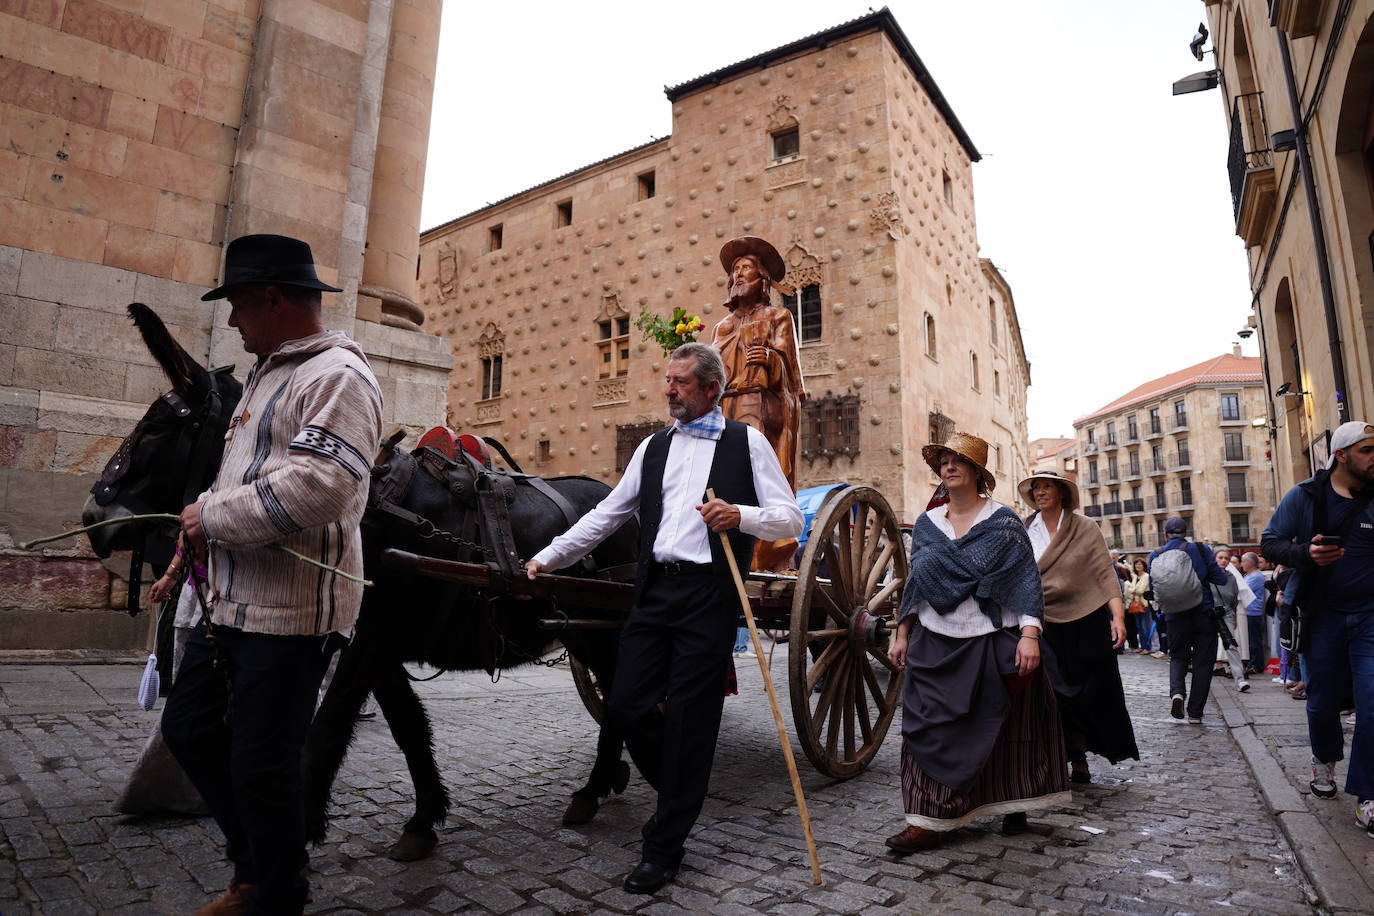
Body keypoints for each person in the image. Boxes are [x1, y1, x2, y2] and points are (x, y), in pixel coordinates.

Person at [525, 342, 802, 893]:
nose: (668, 389)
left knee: (692, 723)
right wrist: (545, 557)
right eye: (668, 380)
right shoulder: (653, 447)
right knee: (625, 705)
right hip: (653, 595)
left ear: (709, 390)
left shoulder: (746, 442)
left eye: (679, 381)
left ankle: (664, 844)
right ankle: (678, 786)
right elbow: (607, 515)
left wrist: (739, 514)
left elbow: (788, 516)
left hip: (708, 596)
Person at [161, 234, 383, 915]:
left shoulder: (337, 377)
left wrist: (208, 517)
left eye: (236, 306)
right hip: (227, 602)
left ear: (273, 300)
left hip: (289, 616)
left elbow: (319, 488)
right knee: (191, 730)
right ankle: (258, 867)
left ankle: (275, 891)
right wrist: (194, 542)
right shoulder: (269, 370)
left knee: (264, 764)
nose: (231, 321)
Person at [884, 433, 1069, 853]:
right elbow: (916, 585)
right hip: (934, 639)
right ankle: (927, 820)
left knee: (1004, 727)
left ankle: (1012, 800)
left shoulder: (1003, 523)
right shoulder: (929, 525)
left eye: (959, 461)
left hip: (992, 638)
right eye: (944, 460)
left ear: (977, 473)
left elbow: (1025, 584)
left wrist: (1029, 635)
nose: (949, 466)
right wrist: (902, 632)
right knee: (924, 727)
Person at [1261, 420, 1374, 831]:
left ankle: (1368, 794)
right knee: (1323, 703)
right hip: (1320, 615)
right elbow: (1270, 542)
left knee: (1372, 702)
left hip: (1369, 617)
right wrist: (1305, 553)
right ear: (1342, 455)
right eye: (1367, 450)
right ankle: (1324, 760)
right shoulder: (1306, 495)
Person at [1019, 470, 1138, 785]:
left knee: (1091, 690)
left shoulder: (1085, 527)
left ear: (1061, 493)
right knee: (1055, 691)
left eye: (1046, 487)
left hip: (1087, 619)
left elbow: (1103, 572)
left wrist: (1118, 617)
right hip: (1041, 620)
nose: (1039, 492)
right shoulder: (1024, 529)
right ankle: (1064, 752)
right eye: (1035, 488)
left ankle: (1080, 754)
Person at [709, 236, 806, 571]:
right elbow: (712, 370)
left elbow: (790, 373)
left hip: (762, 406)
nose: (737, 275)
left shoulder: (779, 317)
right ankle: (727, 551)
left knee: (757, 475)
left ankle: (764, 555)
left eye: (745, 269)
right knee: (723, 475)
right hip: (725, 406)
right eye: (734, 270)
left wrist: (768, 357)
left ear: (762, 280)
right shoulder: (723, 326)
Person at [1148, 516, 1228, 724]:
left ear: (1165, 535)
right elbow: (1220, 579)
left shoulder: (1156, 555)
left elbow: (1153, 587)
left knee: (1178, 657)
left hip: (1174, 616)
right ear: (1186, 532)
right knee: (1203, 662)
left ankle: (1177, 693)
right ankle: (1195, 713)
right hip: (1203, 614)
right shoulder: (1200, 549)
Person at [1211, 548, 1253, 692]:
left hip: (1227, 614)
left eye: (1226, 558)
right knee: (1206, 646)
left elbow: (1234, 598)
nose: (1223, 560)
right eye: (1220, 557)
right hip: (1209, 615)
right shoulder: (1207, 576)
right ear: (1214, 559)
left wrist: (1233, 616)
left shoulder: (1231, 577)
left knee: (1231, 646)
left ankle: (1240, 679)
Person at [1126, 558, 1160, 656]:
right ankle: (1143, 646)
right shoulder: (1136, 577)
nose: (1138, 566)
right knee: (1139, 628)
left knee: (1146, 627)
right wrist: (1134, 589)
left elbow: (1140, 590)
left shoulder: (1146, 576)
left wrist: (1133, 589)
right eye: (1136, 564)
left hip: (1144, 605)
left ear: (1144, 566)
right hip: (1135, 605)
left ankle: (1148, 647)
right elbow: (1132, 589)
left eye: (1140, 564)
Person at [1241, 552, 1268, 674]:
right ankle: (1252, 663)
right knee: (1251, 640)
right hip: (1248, 611)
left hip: (1254, 612)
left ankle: (1256, 665)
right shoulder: (1248, 575)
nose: (1242, 564)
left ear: (1250, 562)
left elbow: (1243, 591)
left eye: (1243, 561)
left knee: (1255, 640)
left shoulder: (1256, 576)